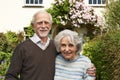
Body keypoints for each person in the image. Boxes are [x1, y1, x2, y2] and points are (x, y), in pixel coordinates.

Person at [5, 11, 95, 80]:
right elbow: (10, 76)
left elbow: (72, 57)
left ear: (51, 25)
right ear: (33, 26)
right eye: (40, 23)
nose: (43, 26)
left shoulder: (56, 46)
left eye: (46, 22)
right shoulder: (22, 48)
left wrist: (88, 66)